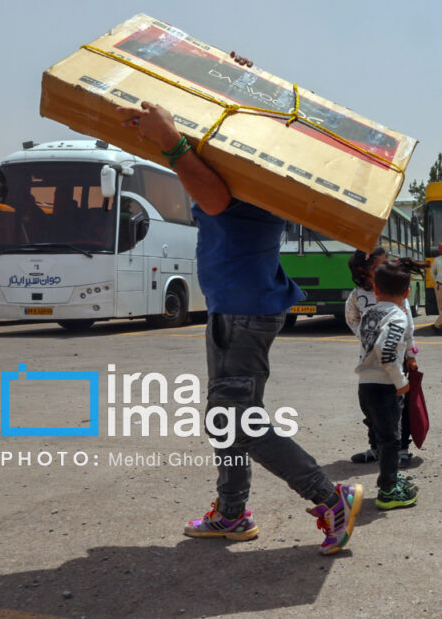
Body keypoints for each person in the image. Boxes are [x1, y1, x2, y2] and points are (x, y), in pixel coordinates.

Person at [117, 98, 363, 556]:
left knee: (237, 420)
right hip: (238, 305)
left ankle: (331, 498)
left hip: (243, 307)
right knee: (225, 418)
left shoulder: (248, 166)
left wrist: (171, 138)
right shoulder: (248, 162)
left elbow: (214, 201)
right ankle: (231, 512)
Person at [354, 257, 427, 510]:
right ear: (406, 293)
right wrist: (400, 381)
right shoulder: (398, 316)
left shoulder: (369, 314)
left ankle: (390, 478)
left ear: (375, 289)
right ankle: (388, 490)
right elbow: (387, 351)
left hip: (366, 385)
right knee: (391, 440)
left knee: (382, 436)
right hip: (386, 386)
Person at [346, 248, 417, 467]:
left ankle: (401, 449)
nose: (384, 269)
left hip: (395, 358)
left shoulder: (396, 292)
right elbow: (352, 318)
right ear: (363, 272)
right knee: (371, 407)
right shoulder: (357, 295)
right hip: (370, 359)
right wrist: (367, 336)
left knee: (398, 407)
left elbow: (408, 325)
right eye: (378, 267)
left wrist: (410, 354)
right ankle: (376, 448)